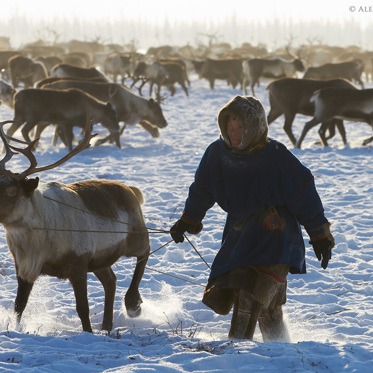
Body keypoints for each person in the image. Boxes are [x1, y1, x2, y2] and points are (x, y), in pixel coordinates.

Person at [170, 95, 335, 342]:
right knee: (264, 301)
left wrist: (320, 235)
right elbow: (202, 189)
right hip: (241, 233)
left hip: (276, 233)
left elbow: (304, 195)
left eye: (241, 127)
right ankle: (279, 347)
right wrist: (187, 220)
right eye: (230, 126)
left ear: (255, 128)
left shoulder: (276, 156)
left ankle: (237, 347)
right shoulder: (216, 154)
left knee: (252, 290)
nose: (234, 133)